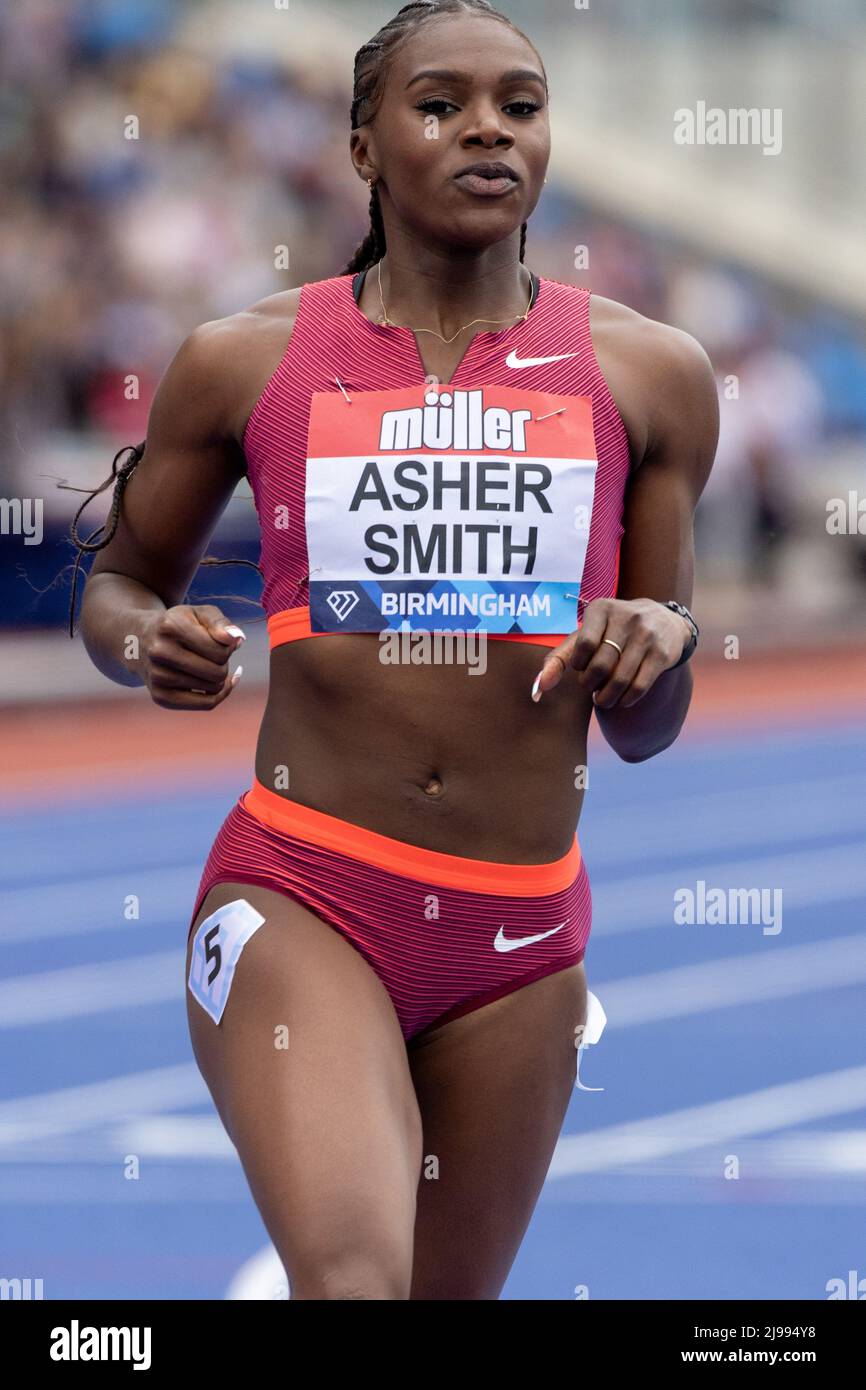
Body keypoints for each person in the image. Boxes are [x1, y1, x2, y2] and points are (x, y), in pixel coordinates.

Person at [75, 0, 718, 1300]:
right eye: (439, 105)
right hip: (306, 887)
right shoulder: (245, 361)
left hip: (520, 932)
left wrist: (655, 648)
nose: (486, 129)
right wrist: (151, 639)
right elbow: (118, 585)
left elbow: (646, 734)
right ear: (364, 144)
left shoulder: (649, 376)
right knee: (355, 1280)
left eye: (518, 105)